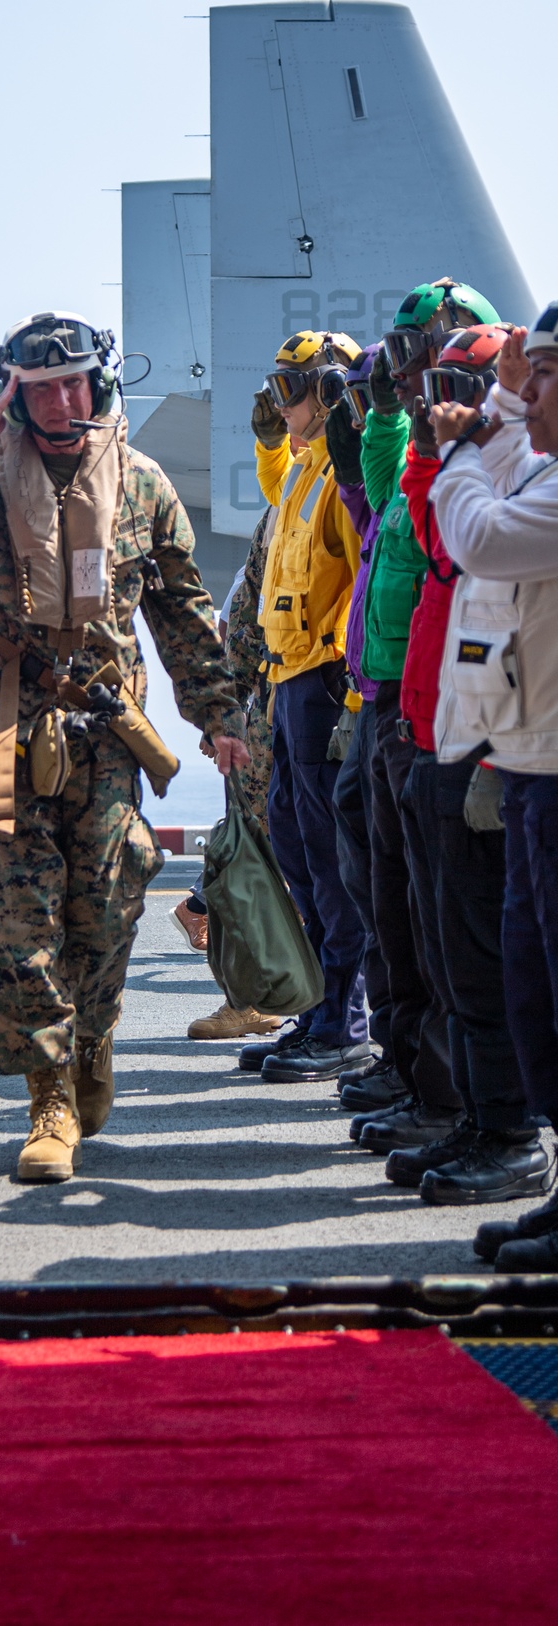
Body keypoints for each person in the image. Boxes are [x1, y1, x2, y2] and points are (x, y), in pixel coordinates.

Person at [0, 310, 247, 1181]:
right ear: (13, 397)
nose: (64, 403)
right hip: (2, 724)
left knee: (105, 909)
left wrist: (218, 714)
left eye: (77, 383)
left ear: (101, 383)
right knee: (11, 921)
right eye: (41, 390)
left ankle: (94, 1041)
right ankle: (50, 1094)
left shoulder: (141, 483)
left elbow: (181, 607)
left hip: (104, 731)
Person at [387, 326, 546, 1204]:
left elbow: (460, 545)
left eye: (461, 384)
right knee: (451, 952)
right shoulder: (494, 464)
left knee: (492, 958)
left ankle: (511, 1131)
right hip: (438, 731)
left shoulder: (516, 478)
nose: (440, 398)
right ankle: (480, 1119)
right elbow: (429, 534)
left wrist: (462, 445)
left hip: (491, 742)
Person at [352, 279, 502, 1159]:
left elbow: (464, 554)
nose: (419, 384)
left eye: (439, 369)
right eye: (411, 364)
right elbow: (394, 500)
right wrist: (389, 421)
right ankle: (439, 1093)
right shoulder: (429, 455)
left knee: (474, 947)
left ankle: (482, 1114)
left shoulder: (498, 477)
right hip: (404, 715)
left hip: (463, 728)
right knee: (413, 922)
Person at [427, 307, 558, 1268]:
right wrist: (503, 401)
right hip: (531, 773)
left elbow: (479, 533)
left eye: (546, 376)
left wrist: (462, 450)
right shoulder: (545, 471)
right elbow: (509, 468)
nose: (533, 393)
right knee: (534, 995)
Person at [239, 329, 370, 1084]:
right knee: (294, 845)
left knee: (329, 858)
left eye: (290, 391)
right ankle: (319, 1010)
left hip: (322, 683)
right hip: (289, 680)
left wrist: (351, 693)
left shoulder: (340, 474)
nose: (280, 404)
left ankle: (344, 1023)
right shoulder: (306, 471)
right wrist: (268, 445)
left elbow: (357, 580)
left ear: (326, 393)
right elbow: (280, 496)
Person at [325, 351, 403, 1112]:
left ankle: (448, 1090)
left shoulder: (436, 479)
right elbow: (367, 488)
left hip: (416, 713)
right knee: (378, 891)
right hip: (372, 700)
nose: (357, 412)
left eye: (369, 397)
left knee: (423, 910)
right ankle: (408, 1065)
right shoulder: (386, 485)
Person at [183, 505, 284, 1042]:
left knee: (256, 864)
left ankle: (260, 1000)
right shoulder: (293, 501)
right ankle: (266, 1000)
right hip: (289, 712)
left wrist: (222, 715)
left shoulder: (294, 503)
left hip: (286, 716)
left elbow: (240, 628)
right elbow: (243, 624)